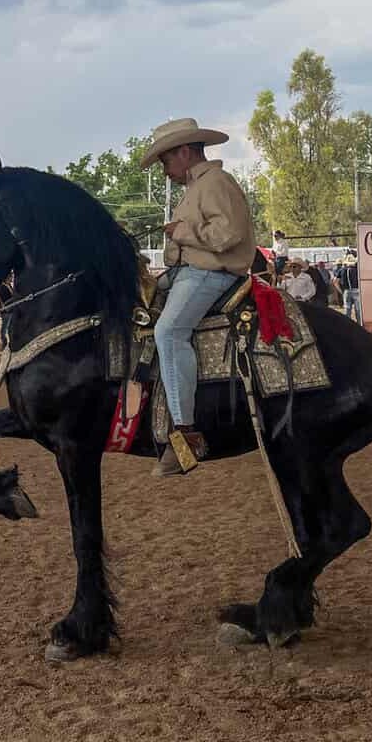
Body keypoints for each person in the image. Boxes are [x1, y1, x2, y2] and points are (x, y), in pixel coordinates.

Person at [141, 118, 256, 479]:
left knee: (169, 333)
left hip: (211, 273)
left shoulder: (215, 183)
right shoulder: (196, 188)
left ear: (185, 152)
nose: (164, 170)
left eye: (165, 161)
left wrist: (183, 232)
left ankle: (187, 435)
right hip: (188, 272)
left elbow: (229, 235)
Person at [336, 250, 361, 323]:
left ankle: (348, 325)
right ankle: (359, 325)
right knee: (358, 310)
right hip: (356, 290)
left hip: (346, 291)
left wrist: (341, 291)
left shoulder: (342, 270)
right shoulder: (357, 270)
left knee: (347, 310)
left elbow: (335, 281)